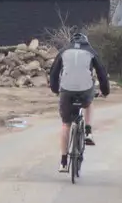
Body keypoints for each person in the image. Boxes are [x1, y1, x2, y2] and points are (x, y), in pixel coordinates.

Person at [47, 31, 110, 172]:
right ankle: (88, 131)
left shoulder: (63, 51)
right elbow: (102, 73)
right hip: (85, 90)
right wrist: (105, 91)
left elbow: (54, 73)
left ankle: (63, 161)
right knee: (89, 102)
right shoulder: (91, 51)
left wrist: (56, 89)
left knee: (65, 125)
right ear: (86, 41)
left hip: (66, 90)